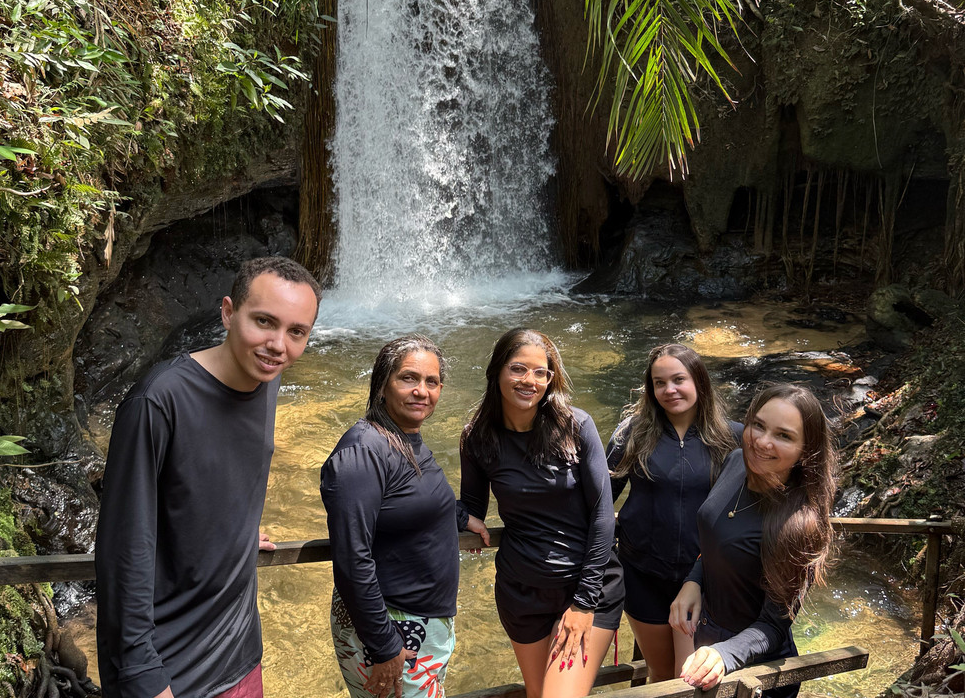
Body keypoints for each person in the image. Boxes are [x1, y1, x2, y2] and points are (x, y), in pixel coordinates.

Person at [95, 256, 321, 698]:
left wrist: (234, 529)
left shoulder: (267, 381)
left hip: (240, 656)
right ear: (228, 312)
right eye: (264, 321)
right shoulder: (157, 403)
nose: (278, 345)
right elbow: (122, 553)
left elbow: (219, 469)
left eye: (297, 332)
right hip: (171, 673)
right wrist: (144, 677)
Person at [460, 328, 624, 698]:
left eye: (540, 373)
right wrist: (450, 512)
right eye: (518, 369)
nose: (529, 381)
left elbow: (602, 515)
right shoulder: (477, 437)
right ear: (497, 371)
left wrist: (584, 603)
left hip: (585, 587)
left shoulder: (576, 426)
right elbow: (471, 506)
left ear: (551, 380)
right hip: (521, 592)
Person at [320, 336, 487, 698]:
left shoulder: (404, 436)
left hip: (418, 624)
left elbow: (412, 498)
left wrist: (458, 516)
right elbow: (351, 558)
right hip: (391, 628)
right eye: (408, 378)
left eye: (432, 382)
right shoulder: (363, 451)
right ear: (383, 384)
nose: (421, 391)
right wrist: (384, 646)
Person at [669, 383, 837, 698]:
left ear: (806, 451)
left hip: (758, 669)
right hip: (709, 638)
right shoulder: (735, 461)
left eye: (783, 435)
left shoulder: (799, 525)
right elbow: (716, 538)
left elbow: (773, 625)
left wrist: (723, 654)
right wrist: (693, 581)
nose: (761, 441)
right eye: (758, 425)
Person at [606, 344, 742, 681]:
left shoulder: (733, 438)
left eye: (678, 379)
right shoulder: (632, 434)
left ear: (698, 380)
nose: (669, 390)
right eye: (659, 383)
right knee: (660, 674)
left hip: (704, 579)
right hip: (642, 575)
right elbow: (601, 499)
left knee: (689, 679)